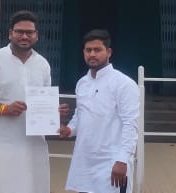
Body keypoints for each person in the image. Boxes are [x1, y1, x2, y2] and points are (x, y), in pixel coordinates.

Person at [0, 10, 68, 193]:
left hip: (34, 147)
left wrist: (54, 113)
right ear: (10, 33)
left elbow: (43, 103)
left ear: (37, 35)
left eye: (29, 32)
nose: (24, 36)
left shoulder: (43, 64)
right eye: (19, 32)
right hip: (3, 146)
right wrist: (3, 108)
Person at [59, 30, 140, 193]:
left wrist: (122, 160)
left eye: (97, 50)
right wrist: (68, 129)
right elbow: (80, 116)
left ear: (108, 52)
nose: (92, 54)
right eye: (88, 50)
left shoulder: (124, 84)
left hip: (111, 161)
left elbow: (131, 124)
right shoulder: (82, 83)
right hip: (84, 161)